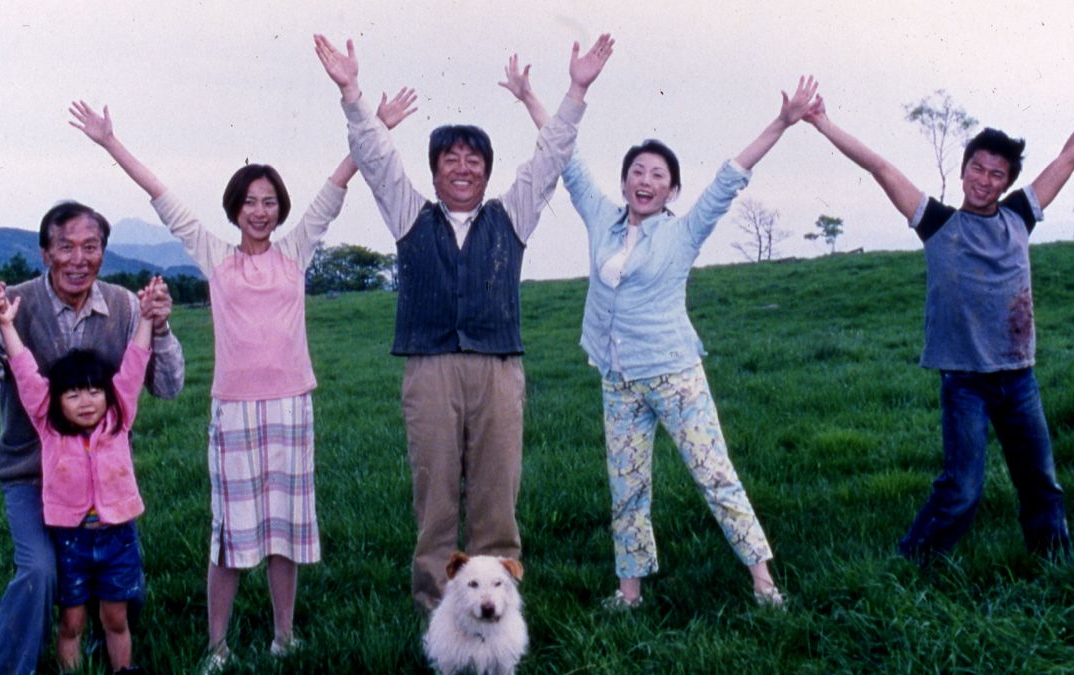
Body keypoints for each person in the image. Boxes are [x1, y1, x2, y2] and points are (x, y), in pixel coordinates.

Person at [68, 90, 416, 669]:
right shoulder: (213, 256)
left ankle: (286, 637)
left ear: (280, 209)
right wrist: (109, 140)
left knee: (286, 531)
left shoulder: (296, 251)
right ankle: (217, 646)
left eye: (270, 201)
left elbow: (337, 182)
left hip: (291, 409)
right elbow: (160, 195)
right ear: (235, 209)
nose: (261, 211)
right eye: (251, 202)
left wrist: (375, 125)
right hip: (234, 411)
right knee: (230, 534)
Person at [313, 32, 614, 611]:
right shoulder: (408, 214)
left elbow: (551, 155)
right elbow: (375, 160)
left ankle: (498, 606)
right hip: (428, 370)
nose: (462, 167)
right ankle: (434, 606)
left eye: (473, 160)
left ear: (486, 172)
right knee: (436, 500)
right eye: (449, 159)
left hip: (499, 370)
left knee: (497, 497)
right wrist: (352, 92)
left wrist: (575, 89)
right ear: (433, 173)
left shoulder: (513, 215)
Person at [501, 60, 816, 609]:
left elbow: (731, 175)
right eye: (638, 172)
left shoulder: (684, 232)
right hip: (618, 379)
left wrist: (783, 122)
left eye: (658, 176)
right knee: (627, 490)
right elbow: (565, 158)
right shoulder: (603, 219)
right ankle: (630, 593)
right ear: (625, 181)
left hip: (674, 376)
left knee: (716, 476)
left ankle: (764, 582)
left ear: (672, 190)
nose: (646, 182)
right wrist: (531, 96)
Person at [801, 56, 1074, 564]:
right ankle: (914, 564)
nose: (984, 179)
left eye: (996, 174)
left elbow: (1069, 158)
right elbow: (880, 166)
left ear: (1006, 183)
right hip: (965, 383)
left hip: (1019, 379)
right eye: (977, 168)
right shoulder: (936, 223)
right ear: (963, 171)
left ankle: (1056, 568)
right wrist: (822, 123)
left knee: (1041, 483)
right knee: (963, 490)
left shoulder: (1020, 216)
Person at [0, 202, 184, 675]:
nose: (78, 259)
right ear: (44, 253)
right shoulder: (12, 305)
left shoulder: (122, 305)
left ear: (103, 252)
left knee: (124, 588)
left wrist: (157, 325)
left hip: (102, 486)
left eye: (91, 247)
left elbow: (168, 385)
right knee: (40, 572)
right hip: (30, 477)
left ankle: (108, 656)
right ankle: (15, 669)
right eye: (66, 247)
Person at [0, 276, 163, 673]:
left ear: (108, 394)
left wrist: (146, 317)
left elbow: (136, 361)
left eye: (93, 392)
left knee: (115, 617)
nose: (86, 402)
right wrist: (6, 325)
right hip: (71, 540)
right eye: (72, 394)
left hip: (117, 536)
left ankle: (124, 669)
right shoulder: (48, 425)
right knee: (72, 621)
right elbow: (24, 371)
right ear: (57, 402)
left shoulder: (119, 417)